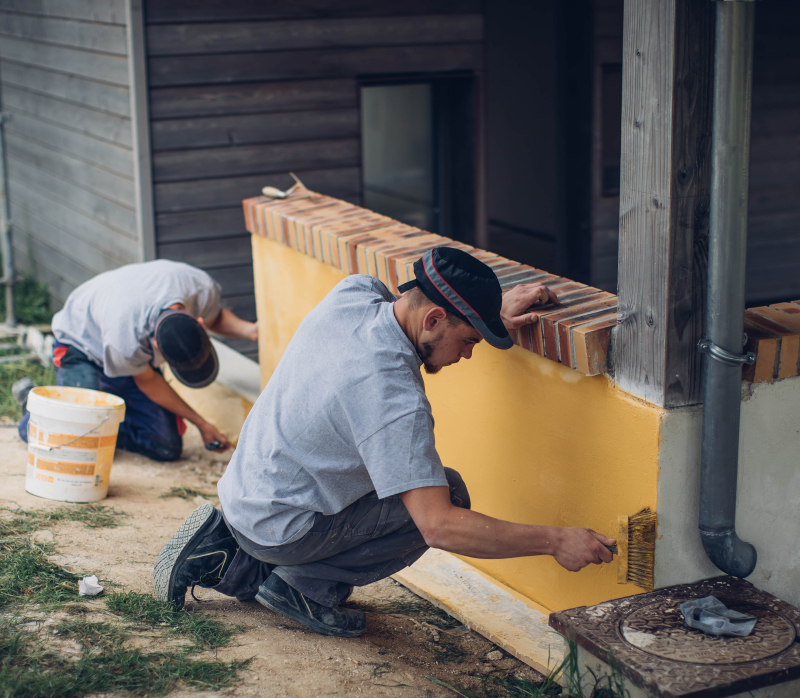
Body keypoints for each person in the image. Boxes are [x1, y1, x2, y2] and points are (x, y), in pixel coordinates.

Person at [154, 247, 615, 636]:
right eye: (470, 339)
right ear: (434, 318)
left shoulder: (353, 293)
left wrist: (487, 316)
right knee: (447, 494)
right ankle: (303, 588)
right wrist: (555, 540)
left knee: (397, 483)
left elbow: (402, 299)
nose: (469, 354)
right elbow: (440, 526)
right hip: (284, 527)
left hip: (248, 494)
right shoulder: (394, 398)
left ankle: (223, 556)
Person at [14, 259, 258, 462]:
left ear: (198, 322)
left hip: (127, 358)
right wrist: (201, 423)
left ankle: (104, 417)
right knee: (78, 443)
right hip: (82, 346)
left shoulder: (199, 288)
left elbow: (216, 318)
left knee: (166, 449)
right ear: (155, 345)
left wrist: (251, 331)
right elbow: (148, 382)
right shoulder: (126, 340)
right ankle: (33, 405)